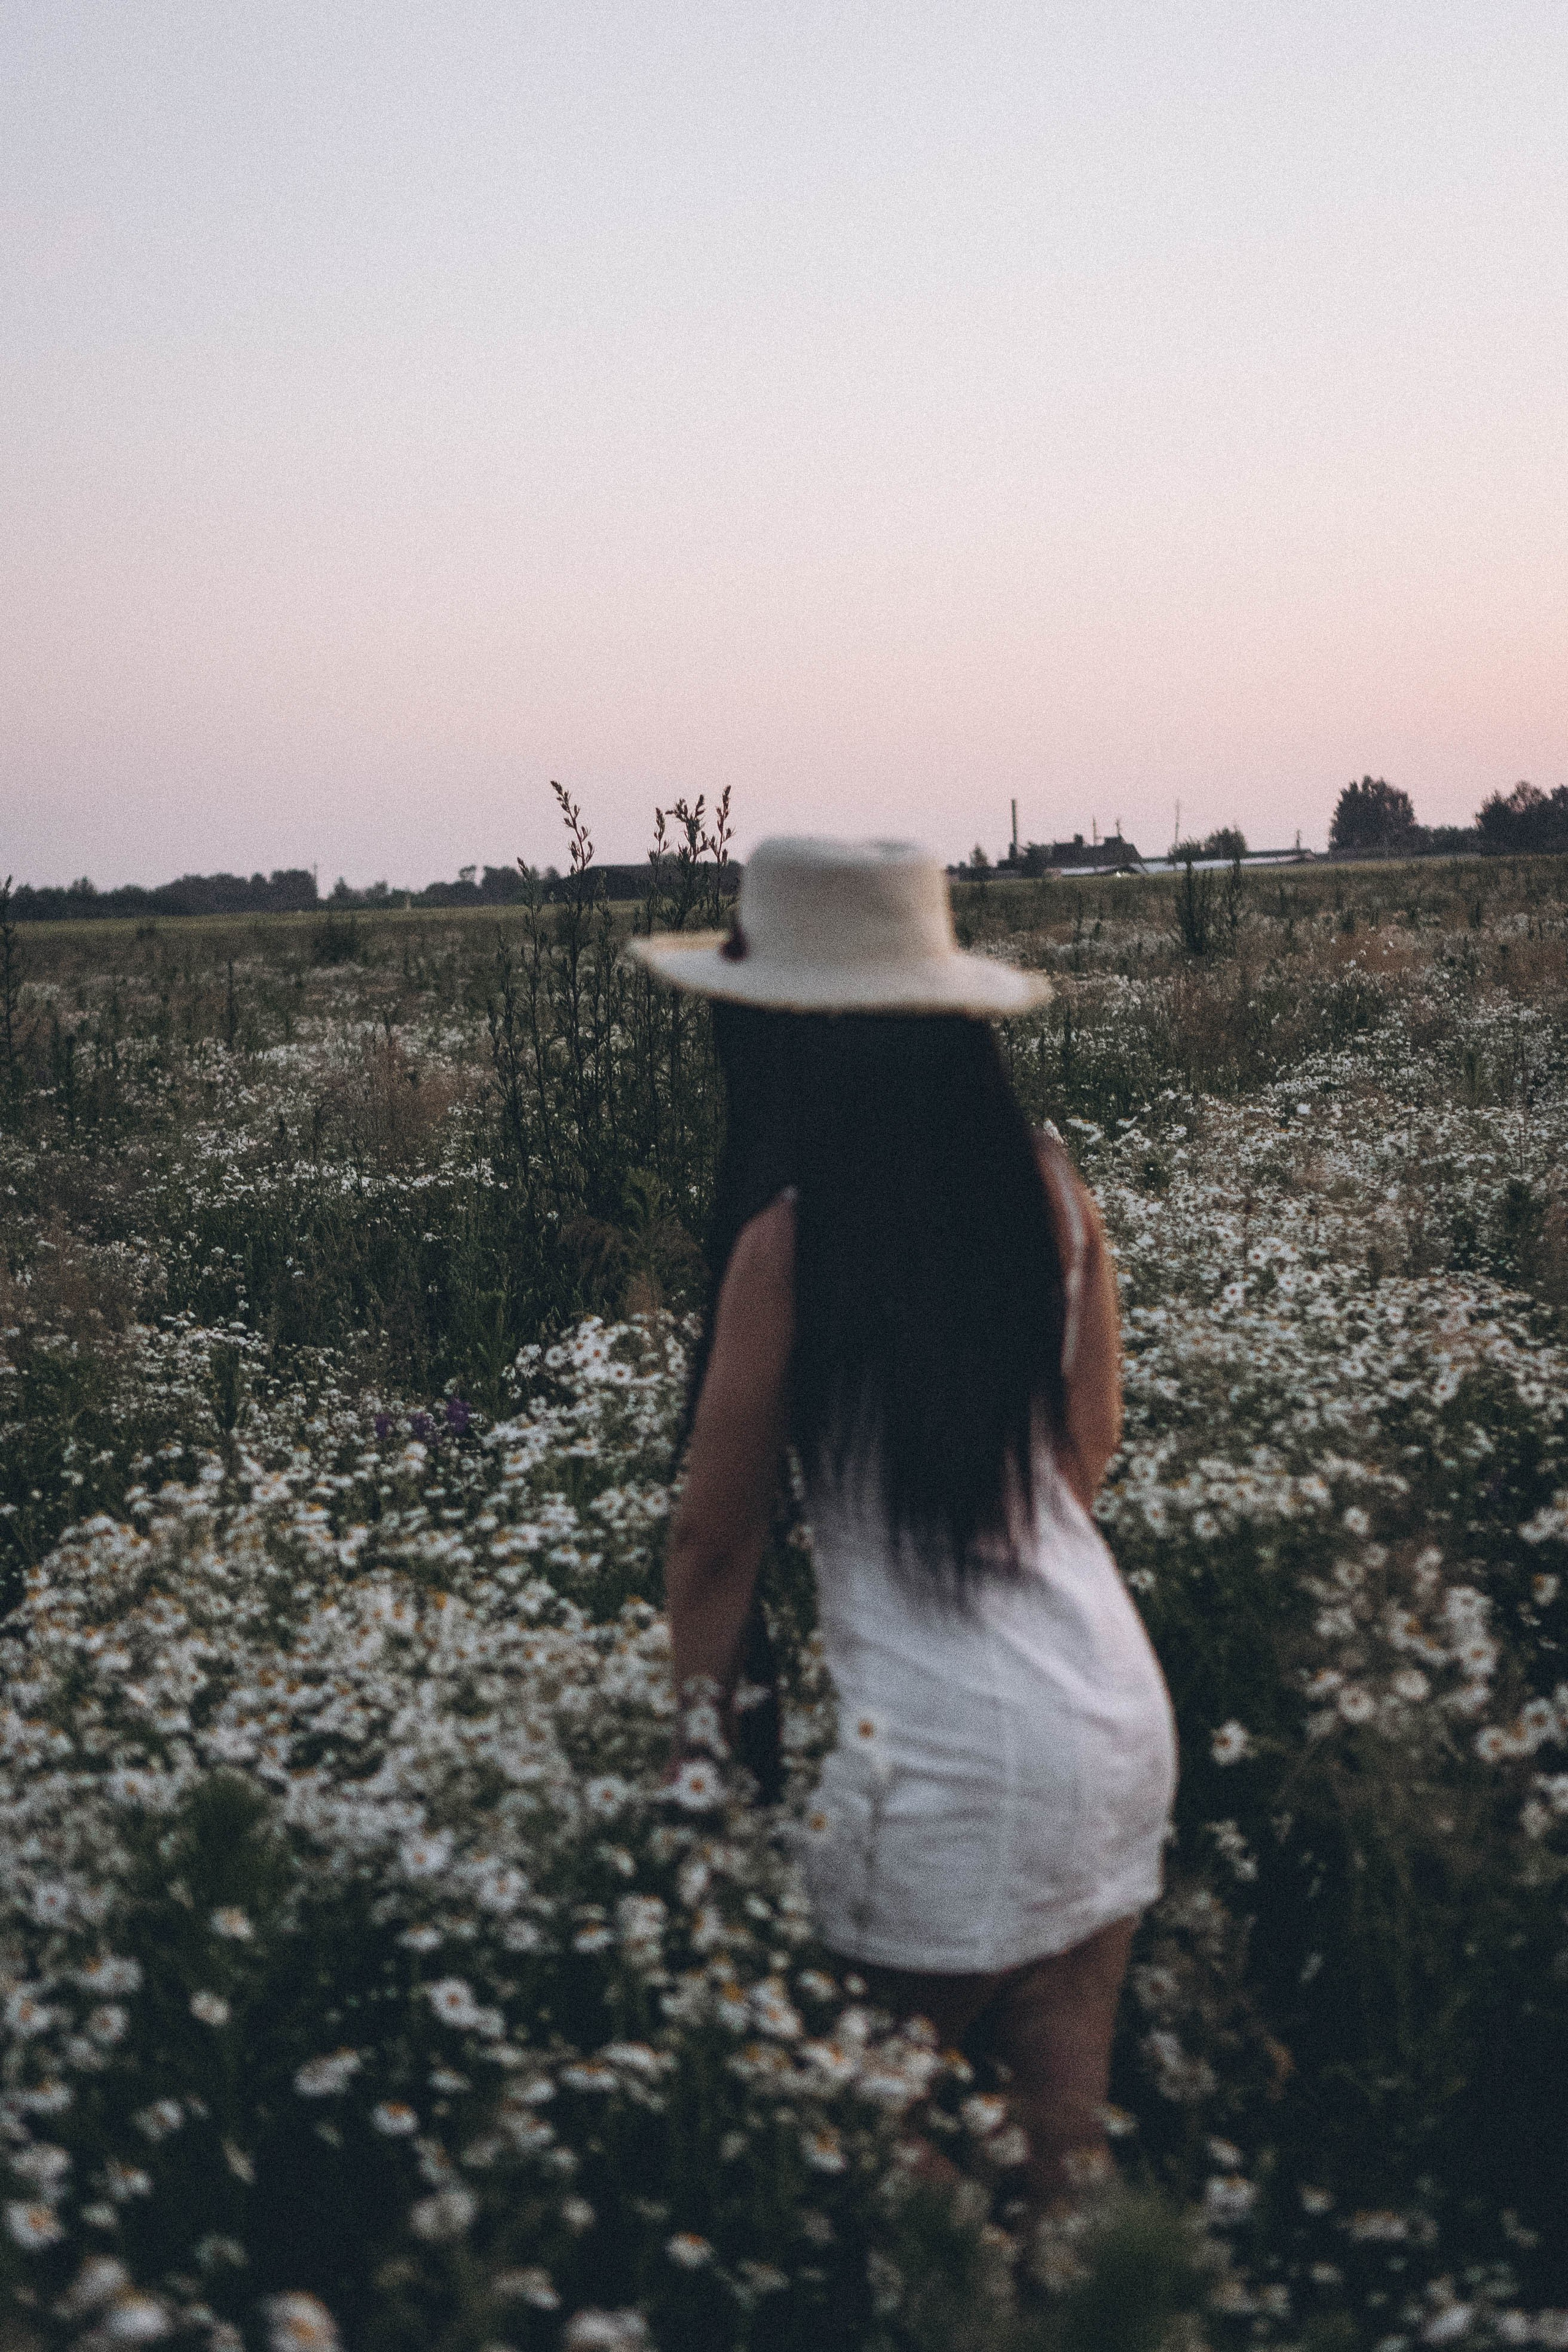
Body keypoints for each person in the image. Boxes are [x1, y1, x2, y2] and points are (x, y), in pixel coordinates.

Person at [629, 837, 1176, 2209]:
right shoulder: (1047, 1189)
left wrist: (696, 1772)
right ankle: (1098, 2299)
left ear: (772, 1028)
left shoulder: (791, 1237)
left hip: (945, 1754)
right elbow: (1089, 1445)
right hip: (1107, 1707)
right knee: (1061, 2139)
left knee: (833, 2112)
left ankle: (966, 2296)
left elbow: (714, 1545)